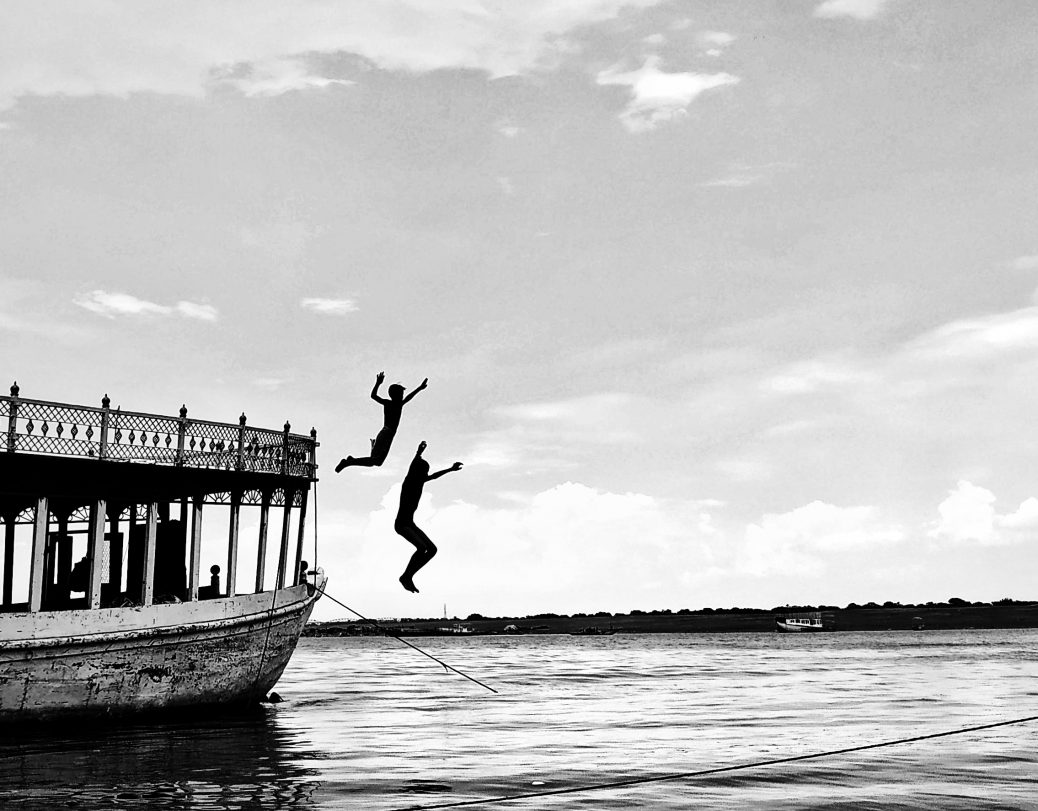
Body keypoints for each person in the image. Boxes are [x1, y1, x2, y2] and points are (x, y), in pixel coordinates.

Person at [395, 441, 462, 593]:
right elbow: (414, 467)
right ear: (418, 472)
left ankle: (407, 576)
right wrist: (418, 453)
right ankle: (406, 577)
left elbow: (434, 476)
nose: (427, 475)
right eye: (425, 472)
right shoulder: (410, 481)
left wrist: (451, 469)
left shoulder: (420, 481)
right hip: (401, 524)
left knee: (432, 549)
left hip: (409, 524)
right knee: (422, 548)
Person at [336, 371, 427, 471]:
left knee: (374, 461)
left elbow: (374, 396)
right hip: (387, 434)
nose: (402, 395)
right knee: (377, 461)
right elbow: (407, 397)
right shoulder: (396, 405)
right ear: (396, 395)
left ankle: (350, 461)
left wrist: (378, 383)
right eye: (401, 393)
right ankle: (349, 462)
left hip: (384, 433)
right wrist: (419, 388)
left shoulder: (390, 403)